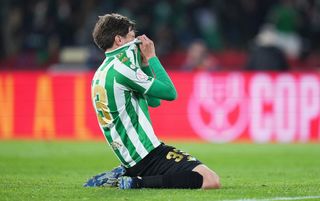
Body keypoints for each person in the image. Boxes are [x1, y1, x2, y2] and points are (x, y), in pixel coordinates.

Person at [84, 13, 220, 189]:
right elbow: (171, 93)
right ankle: (135, 182)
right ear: (119, 40)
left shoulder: (102, 72)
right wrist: (151, 57)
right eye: (132, 37)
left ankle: (126, 172)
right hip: (147, 154)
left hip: (131, 157)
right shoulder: (123, 70)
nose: (137, 42)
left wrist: (144, 65)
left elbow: (154, 102)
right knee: (210, 180)